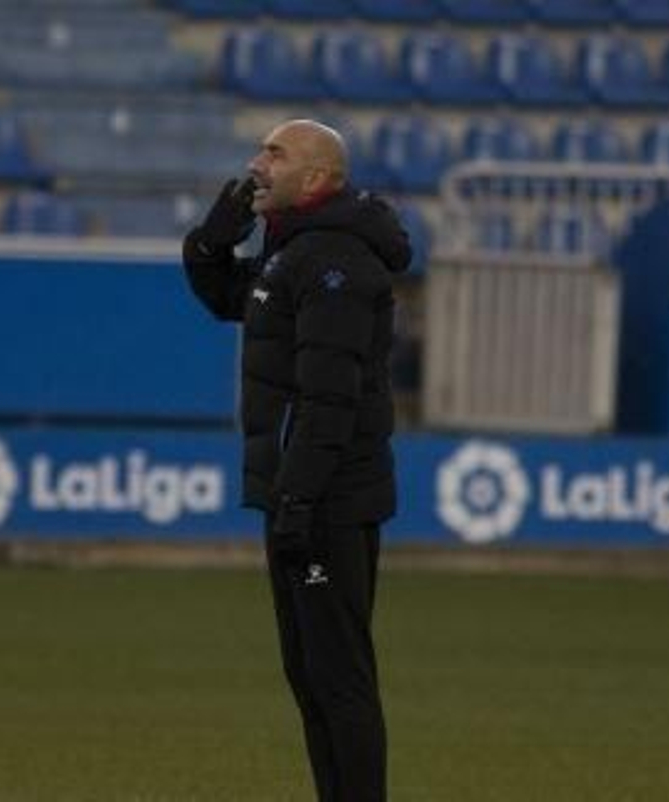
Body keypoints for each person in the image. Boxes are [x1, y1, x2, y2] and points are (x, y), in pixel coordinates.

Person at [182, 119, 411, 802]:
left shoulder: (336, 264)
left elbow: (329, 398)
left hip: (329, 499)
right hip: (303, 494)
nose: (257, 164)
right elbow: (231, 299)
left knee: (338, 679)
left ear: (315, 178)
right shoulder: (294, 254)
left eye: (274, 154)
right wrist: (210, 241)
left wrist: (301, 499)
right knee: (310, 676)